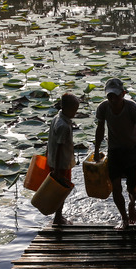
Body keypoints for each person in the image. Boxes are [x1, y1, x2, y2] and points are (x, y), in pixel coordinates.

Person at [93, 78, 136, 229]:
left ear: (123, 94)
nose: (112, 99)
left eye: (115, 95)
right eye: (109, 96)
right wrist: (96, 150)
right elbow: (100, 130)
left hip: (132, 149)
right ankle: (124, 218)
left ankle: (132, 203)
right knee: (116, 187)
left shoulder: (132, 108)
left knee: (132, 187)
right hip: (114, 150)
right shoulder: (103, 108)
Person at [46, 92, 79, 226]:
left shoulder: (57, 118)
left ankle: (58, 216)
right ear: (67, 109)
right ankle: (58, 218)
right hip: (61, 164)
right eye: (74, 110)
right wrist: (58, 171)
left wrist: (47, 154)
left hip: (54, 160)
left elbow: (50, 140)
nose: (75, 113)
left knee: (59, 190)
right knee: (61, 191)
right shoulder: (63, 126)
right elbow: (59, 148)